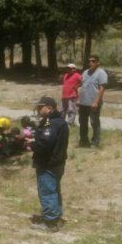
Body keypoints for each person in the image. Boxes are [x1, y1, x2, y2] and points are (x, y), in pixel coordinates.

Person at [30, 96, 68, 232]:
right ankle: (56, 217)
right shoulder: (59, 121)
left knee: (47, 191)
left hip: (48, 163)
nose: (38, 109)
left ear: (49, 108)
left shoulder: (51, 123)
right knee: (54, 190)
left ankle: (50, 223)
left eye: (41, 107)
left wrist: (32, 144)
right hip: (57, 163)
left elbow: (45, 144)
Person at [77, 55, 107, 147]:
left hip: (93, 103)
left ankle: (95, 141)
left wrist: (96, 102)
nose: (91, 63)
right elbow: (81, 86)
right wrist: (78, 99)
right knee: (82, 122)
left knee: (94, 122)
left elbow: (102, 88)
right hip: (83, 102)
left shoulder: (101, 73)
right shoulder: (85, 72)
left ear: (98, 62)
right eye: (89, 61)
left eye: (93, 61)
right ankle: (83, 141)